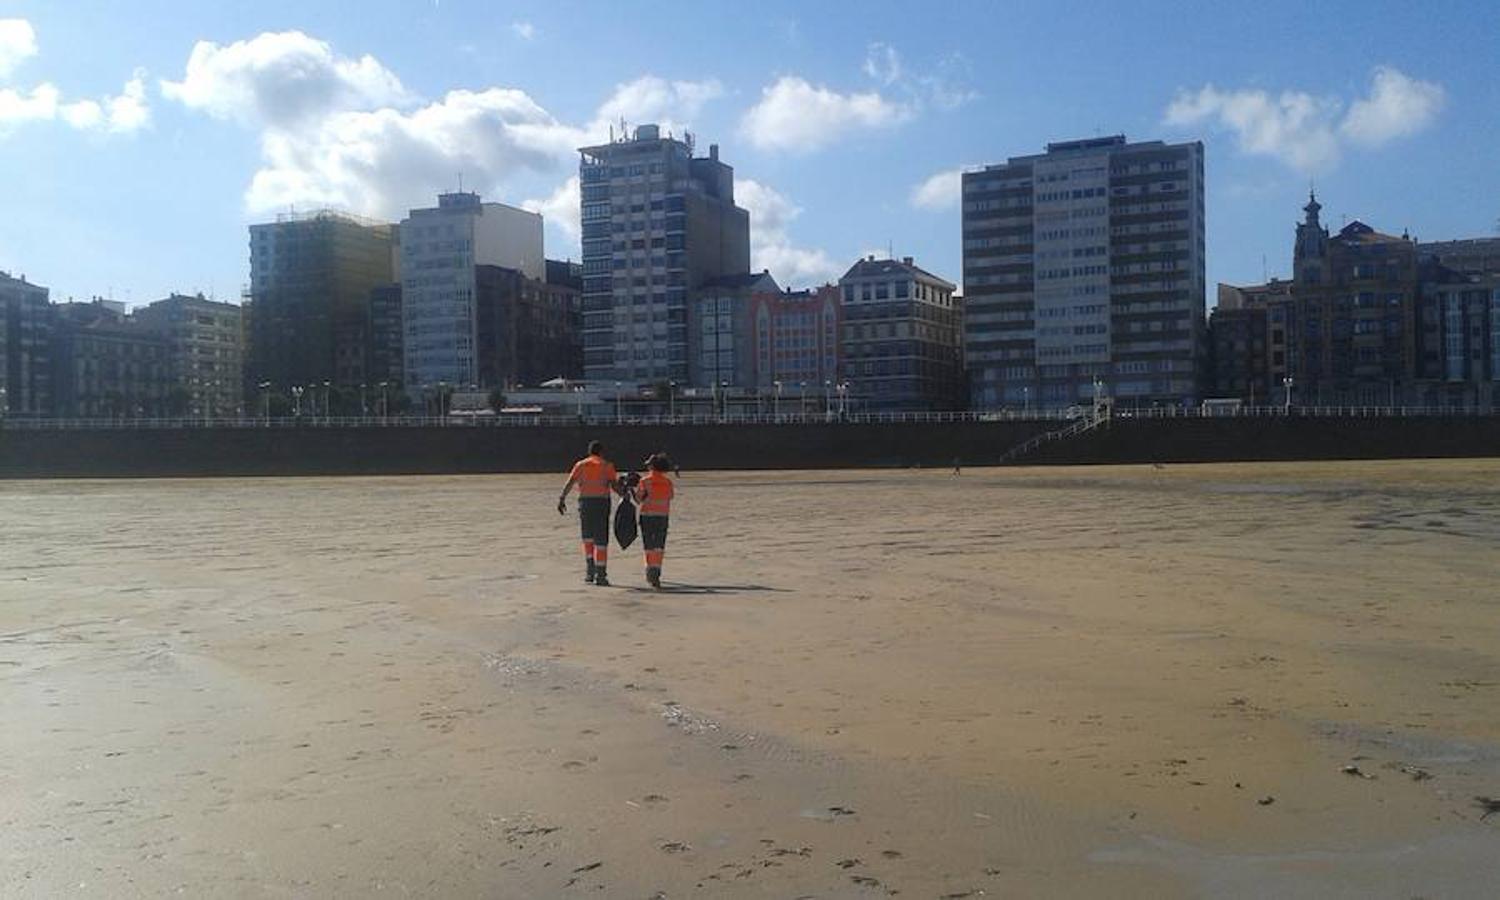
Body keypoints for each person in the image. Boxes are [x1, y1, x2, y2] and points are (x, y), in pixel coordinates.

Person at [558, 440, 622, 586]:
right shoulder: (607, 465)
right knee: (601, 540)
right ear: (601, 452)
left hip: (585, 503)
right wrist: (625, 495)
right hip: (601, 504)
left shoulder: (580, 465)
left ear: (589, 452)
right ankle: (601, 574)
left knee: (587, 537)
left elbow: (570, 482)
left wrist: (562, 498)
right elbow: (614, 485)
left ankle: (589, 571)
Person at [634, 452, 676, 589]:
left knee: (649, 545)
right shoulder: (668, 482)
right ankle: (656, 572)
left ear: (652, 466)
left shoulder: (645, 481)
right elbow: (670, 497)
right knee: (659, 546)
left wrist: (631, 491)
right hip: (662, 516)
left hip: (647, 516)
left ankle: (649, 570)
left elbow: (639, 499)